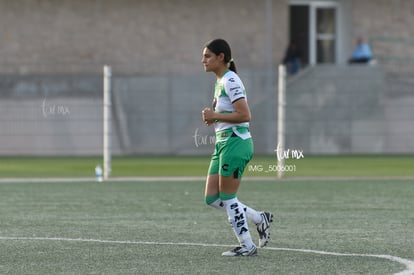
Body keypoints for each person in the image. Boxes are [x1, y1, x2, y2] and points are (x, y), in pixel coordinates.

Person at [201, 38, 273, 257]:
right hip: (223, 144)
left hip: (236, 143)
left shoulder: (231, 80)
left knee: (229, 198)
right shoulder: (221, 80)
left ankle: (247, 246)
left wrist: (215, 115)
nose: (203, 60)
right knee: (212, 198)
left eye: (207, 56)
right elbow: (228, 114)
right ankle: (259, 218)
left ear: (221, 57)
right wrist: (214, 119)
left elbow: (245, 115)